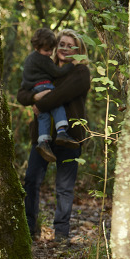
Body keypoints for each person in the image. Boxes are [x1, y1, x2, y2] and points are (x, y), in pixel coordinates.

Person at [17, 28, 90, 244]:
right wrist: (33, 95)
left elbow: (61, 94)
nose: (65, 48)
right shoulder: (44, 66)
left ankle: (61, 235)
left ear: (79, 50)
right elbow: (22, 94)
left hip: (69, 137)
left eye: (71, 45)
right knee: (31, 181)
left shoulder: (80, 72)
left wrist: (39, 103)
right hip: (42, 137)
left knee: (64, 188)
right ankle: (31, 230)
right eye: (62, 44)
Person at [20, 27, 81, 163]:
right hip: (44, 85)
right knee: (56, 105)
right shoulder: (44, 60)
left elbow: (24, 82)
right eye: (47, 50)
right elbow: (57, 73)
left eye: (50, 50)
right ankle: (62, 132)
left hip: (34, 87)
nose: (49, 53)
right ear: (37, 47)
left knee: (44, 115)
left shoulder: (30, 59)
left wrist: (36, 100)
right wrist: (72, 64)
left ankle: (43, 141)